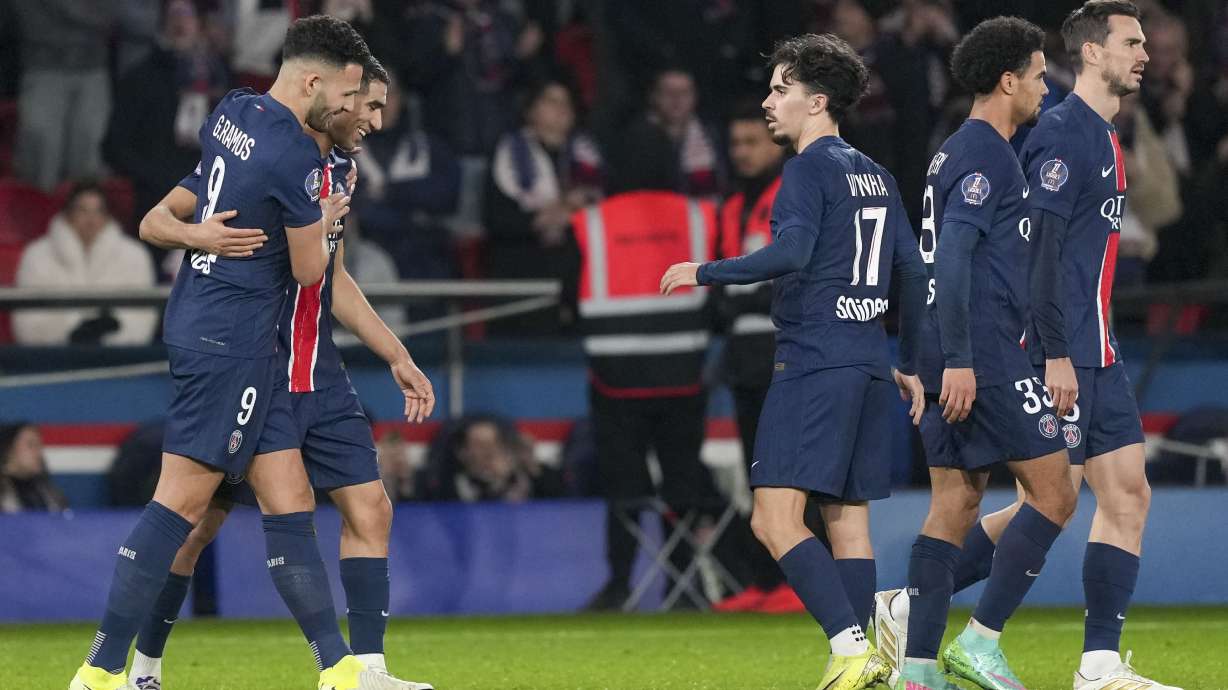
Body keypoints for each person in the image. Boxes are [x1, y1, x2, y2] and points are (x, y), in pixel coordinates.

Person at [66, 16, 398, 690]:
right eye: (349, 93)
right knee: (182, 507)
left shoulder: (233, 112)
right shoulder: (299, 161)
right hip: (234, 339)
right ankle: (101, 671)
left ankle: (340, 669)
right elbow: (311, 275)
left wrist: (198, 237)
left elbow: (164, 215)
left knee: (282, 499)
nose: (351, 107)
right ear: (314, 80)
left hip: (219, 331)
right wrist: (325, 220)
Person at [132, 57, 436, 690]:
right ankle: (143, 667)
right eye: (367, 104)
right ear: (334, 99)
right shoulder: (260, 160)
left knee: (370, 506)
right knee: (199, 528)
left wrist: (396, 354)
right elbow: (161, 218)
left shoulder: (342, 171)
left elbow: (334, 277)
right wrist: (199, 237)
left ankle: (365, 671)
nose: (374, 119)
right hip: (254, 367)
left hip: (317, 370)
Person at [660, 33, 927, 690]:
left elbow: (792, 254)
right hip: (868, 364)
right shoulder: (878, 174)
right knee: (847, 522)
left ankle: (850, 647)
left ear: (818, 101)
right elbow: (915, 272)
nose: (767, 101)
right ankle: (872, 662)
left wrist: (705, 270)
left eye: (781, 89)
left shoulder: (807, 169)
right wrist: (911, 363)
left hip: (814, 360)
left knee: (774, 519)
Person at [932, 4, 1181, 689]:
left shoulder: (1102, 135)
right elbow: (1036, 249)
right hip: (1059, 348)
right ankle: (928, 612)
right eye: (1131, 43)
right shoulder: (1064, 133)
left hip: (1097, 347)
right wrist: (1054, 350)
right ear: (1092, 52)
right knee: (1054, 496)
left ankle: (1098, 664)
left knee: (1128, 493)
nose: (1144, 54)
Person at [869, 18, 1077, 690]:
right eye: (1040, 75)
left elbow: (922, 259)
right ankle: (981, 643)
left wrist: (922, 353)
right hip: (981, 353)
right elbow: (952, 256)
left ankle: (919, 668)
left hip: (947, 350)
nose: (1046, 87)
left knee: (954, 505)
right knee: (1055, 494)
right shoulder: (985, 153)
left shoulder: (950, 151)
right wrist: (959, 358)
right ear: (1007, 79)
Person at [704, 103, 804, 614]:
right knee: (757, 474)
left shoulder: (789, 193)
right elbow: (726, 292)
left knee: (792, 471)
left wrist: (737, 289)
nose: (742, 153)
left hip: (785, 350)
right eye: (736, 144)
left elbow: (786, 276)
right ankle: (765, 580)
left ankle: (800, 579)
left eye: (752, 142)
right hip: (745, 358)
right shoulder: (730, 207)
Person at [482, 78, 602, 335]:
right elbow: (496, 219)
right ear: (530, 110)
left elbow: (605, 212)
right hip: (523, 264)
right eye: (551, 101)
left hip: (577, 266)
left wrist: (568, 213)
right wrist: (544, 219)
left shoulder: (589, 156)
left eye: (567, 103)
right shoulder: (507, 153)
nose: (562, 109)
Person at [105, 0, 230, 239]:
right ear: (161, 23)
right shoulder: (140, 78)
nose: (179, 23)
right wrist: (158, 178)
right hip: (155, 202)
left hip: (211, 202)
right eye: (173, 15)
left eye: (187, 15)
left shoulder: (220, 79)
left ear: (200, 24)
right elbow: (114, 147)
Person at [13, 181, 158, 346]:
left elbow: (142, 318)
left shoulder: (134, 255)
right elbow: (28, 322)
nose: (91, 219)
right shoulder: (37, 255)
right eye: (82, 210)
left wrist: (108, 332)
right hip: (51, 358)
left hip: (118, 358)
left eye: (98, 210)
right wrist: (72, 332)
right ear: (68, 213)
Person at [0, 422, 68, 513]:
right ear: (9, 449)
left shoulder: (51, 494)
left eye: (39, 446)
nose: (39, 452)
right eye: (31, 445)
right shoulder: (3, 492)